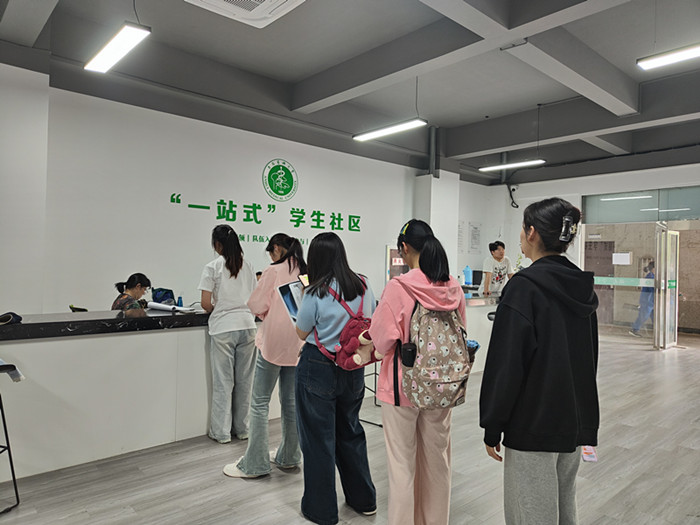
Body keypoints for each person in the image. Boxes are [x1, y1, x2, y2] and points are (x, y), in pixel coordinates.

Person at [480, 197, 599, 525]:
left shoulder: (523, 289)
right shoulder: (582, 287)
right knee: (563, 510)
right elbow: (589, 358)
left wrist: (493, 424)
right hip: (573, 421)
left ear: (531, 233)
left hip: (532, 423)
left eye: (523, 228)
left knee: (531, 513)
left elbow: (506, 365)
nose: (520, 235)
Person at [369, 219, 466, 525]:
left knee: (402, 466)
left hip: (402, 387)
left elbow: (382, 340)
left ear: (405, 248)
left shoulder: (399, 287)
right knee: (437, 462)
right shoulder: (453, 287)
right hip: (442, 387)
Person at [294, 232, 377, 525]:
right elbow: (371, 317)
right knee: (351, 431)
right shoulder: (364, 284)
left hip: (318, 365)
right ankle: (363, 500)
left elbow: (301, 332)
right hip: (354, 366)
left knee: (318, 439)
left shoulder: (314, 292)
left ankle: (322, 510)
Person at [223, 233, 306, 478]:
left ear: (277, 248)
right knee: (291, 402)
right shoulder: (305, 270)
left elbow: (257, 305)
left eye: (270, 251)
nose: (270, 256)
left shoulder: (273, 271)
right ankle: (289, 457)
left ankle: (255, 464)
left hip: (273, 343)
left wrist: (267, 313)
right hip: (297, 343)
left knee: (259, 402)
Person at [198, 224, 257, 444]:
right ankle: (243, 429)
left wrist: (220, 308)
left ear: (217, 244)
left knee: (223, 382)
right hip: (248, 326)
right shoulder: (248, 266)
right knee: (245, 382)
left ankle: (221, 433)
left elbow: (205, 304)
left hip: (223, 328)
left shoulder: (212, 267)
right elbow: (254, 298)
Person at [629, 260, 654, 337]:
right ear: (653, 268)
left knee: (654, 317)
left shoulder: (652, 276)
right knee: (643, 316)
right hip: (647, 301)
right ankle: (634, 329)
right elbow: (652, 289)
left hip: (651, 301)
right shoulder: (650, 277)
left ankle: (658, 332)